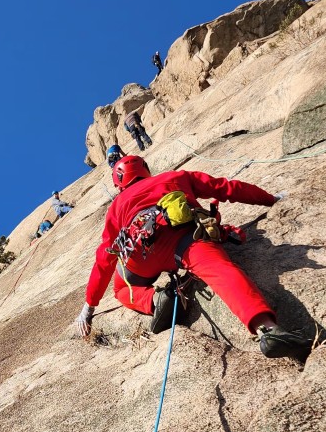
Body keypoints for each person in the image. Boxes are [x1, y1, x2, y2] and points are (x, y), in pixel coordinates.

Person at [74, 154, 312, 360]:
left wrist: (89, 307)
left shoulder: (116, 207)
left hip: (141, 255)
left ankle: (156, 301)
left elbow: (105, 258)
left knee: (122, 290)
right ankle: (267, 329)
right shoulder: (173, 177)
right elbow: (227, 188)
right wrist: (271, 199)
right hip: (184, 239)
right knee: (221, 271)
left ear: (119, 183)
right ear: (145, 170)